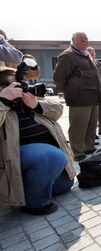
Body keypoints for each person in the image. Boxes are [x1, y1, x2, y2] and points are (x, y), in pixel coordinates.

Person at [0, 66, 76, 215]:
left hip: (51, 163)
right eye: (16, 85)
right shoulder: (3, 105)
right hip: (25, 161)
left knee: (65, 185)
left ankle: (33, 187)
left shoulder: (27, 100)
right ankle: (34, 203)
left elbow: (57, 109)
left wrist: (36, 105)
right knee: (48, 156)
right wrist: (3, 101)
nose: (22, 88)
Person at [53, 32, 101, 161]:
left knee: (91, 125)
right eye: (81, 39)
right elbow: (58, 77)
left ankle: (89, 147)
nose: (85, 41)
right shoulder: (68, 55)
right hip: (79, 98)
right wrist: (70, 92)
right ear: (72, 40)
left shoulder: (86, 54)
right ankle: (77, 152)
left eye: (86, 38)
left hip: (92, 96)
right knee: (78, 126)